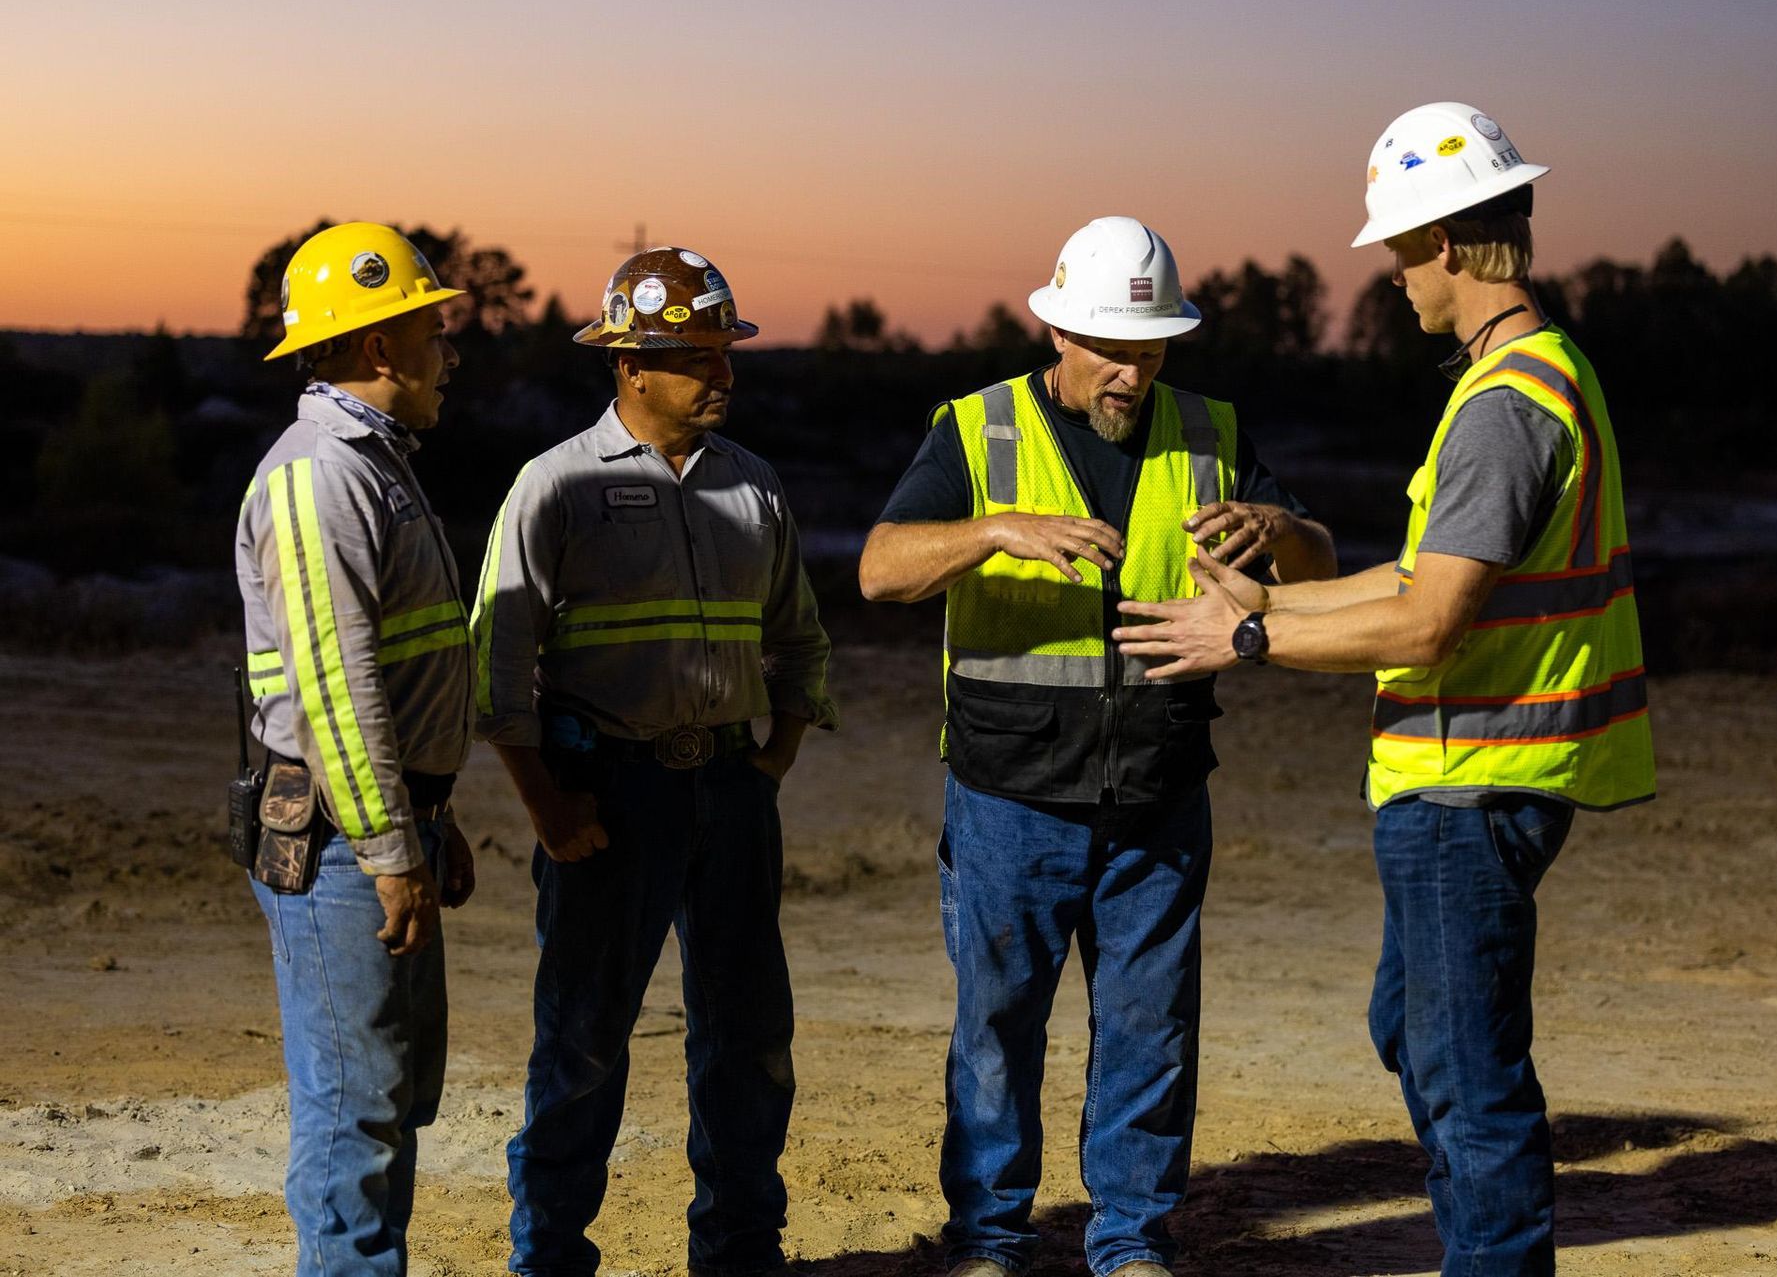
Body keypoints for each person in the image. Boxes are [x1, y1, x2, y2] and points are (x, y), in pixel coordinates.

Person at [1114, 103, 1657, 1276]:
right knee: (1412, 1030)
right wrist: (1260, 606)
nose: (1397, 279)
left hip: (1475, 780)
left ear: (1450, 246)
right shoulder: (1527, 379)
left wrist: (1246, 650)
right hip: (1468, 776)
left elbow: (1427, 620)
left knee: (1468, 1078)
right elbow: (1416, 577)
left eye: (1402, 252)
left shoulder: (1508, 406)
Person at [860, 216, 1335, 1277]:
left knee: (1151, 1031)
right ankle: (989, 1239)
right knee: (996, 1032)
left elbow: (1317, 556)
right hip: (1008, 798)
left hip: (1159, 797)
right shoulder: (977, 430)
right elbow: (880, 570)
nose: (1131, 372)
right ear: (1058, 332)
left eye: (1151, 348)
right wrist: (995, 530)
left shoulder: (1209, 428)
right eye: (1111, 349)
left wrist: (1279, 534)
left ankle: (1129, 1242)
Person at [471, 247, 837, 1277]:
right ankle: (548, 1258)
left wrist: (769, 764)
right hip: (607, 796)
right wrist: (544, 803)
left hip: (729, 792)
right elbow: (497, 667)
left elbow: (801, 640)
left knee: (749, 1036)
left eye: (725, 355)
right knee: (582, 1043)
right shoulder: (558, 487)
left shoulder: (753, 488)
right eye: (697, 358)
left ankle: (739, 1250)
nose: (722, 375)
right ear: (629, 366)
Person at [235, 220, 478, 1276]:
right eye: (434, 330)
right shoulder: (323, 476)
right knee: (355, 1113)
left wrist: (433, 813)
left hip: (378, 826)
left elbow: (392, 671)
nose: (447, 352)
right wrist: (392, 846)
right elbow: (336, 691)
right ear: (380, 347)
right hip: (343, 842)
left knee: (390, 1095)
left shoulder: (374, 466)